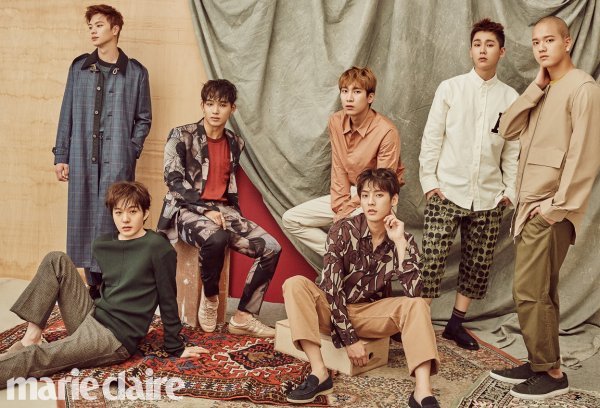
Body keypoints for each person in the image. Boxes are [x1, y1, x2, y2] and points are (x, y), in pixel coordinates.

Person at [0, 181, 206, 389]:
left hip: (114, 338)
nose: (125, 219)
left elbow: (168, 297)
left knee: (40, 356)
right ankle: (32, 336)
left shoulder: (158, 248)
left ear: (145, 213)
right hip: (94, 317)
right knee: (56, 259)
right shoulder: (103, 244)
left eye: (132, 211)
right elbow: (103, 287)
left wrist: (175, 346)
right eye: (118, 212)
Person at [489, 16, 600, 400]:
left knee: (529, 291)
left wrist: (556, 208)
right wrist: (536, 86)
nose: (541, 48)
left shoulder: (582, 89)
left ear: (567, 42)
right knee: (540, 291)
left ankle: (551, 374)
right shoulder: (546, 88)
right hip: (530, 208)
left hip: (550, 210)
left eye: (549, 40)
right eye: (536, 42)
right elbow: (507, 129)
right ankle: (542, 363)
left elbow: (585, 157)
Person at [283, 168, 440, 408]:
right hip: (329, 308)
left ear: (393, 200)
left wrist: (399, 243)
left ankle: (422, 392)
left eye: (379, 195)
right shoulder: (342, 230)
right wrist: (350, 339)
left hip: (369, 314)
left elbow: (414, 292)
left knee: (418, 305)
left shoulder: (403, 238)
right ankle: (319, 373)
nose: (370, 202)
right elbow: (332, 288)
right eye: (365, 195)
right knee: (294, 283)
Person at [418, 18, 519, 350]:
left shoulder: (510, 97)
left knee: (477, 265)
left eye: (490, 45)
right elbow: (432, 138)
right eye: (477, 44)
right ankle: (416, 325)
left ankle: (455, 325)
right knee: (431, 261)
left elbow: (512, 148)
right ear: (470, 50)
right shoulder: (451, 89)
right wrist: (429, 182)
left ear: (501, 52)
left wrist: (509, 191)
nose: (482, 50)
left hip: (489, 196)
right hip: (447, 190)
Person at [157, 79, 281, 338]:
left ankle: (243, 316)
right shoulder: (181, 135)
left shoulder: (236, 143)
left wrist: (227, 214)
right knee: (217, 237)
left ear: (232, 109)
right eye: (210, 104)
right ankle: (211, 297)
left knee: (271, 248)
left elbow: (226, 184)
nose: (215, 110)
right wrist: (205, 210)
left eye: (222, 105)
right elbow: (173, 181)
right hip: (185, 209)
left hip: (224, 211)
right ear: (202, 105)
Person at [52, 4, 152, 298]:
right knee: (83, 217)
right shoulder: (80, 68)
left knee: (114, 217)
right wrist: (62, 155)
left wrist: (131, 148)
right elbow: (67, 112)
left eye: (98, 25)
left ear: (115, 29)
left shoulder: (136, 73)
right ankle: (93, 287)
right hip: (82, 156)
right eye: (90, 27)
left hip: (118, 158)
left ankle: (112, 285)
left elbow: (144, 118)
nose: (93, 31)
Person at [282, 66, 404, 260]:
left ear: (370, 97)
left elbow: (381, 183)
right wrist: (341, 207)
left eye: (356, 92)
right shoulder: (336, 121)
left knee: (350, 229)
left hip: (379, 197)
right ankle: (341, 257)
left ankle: (356, 263)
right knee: (291, 219)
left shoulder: (386, 131)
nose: (349, 98)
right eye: (345, 91)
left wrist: (347, 211)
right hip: (349, 194)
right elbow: (338, 166)